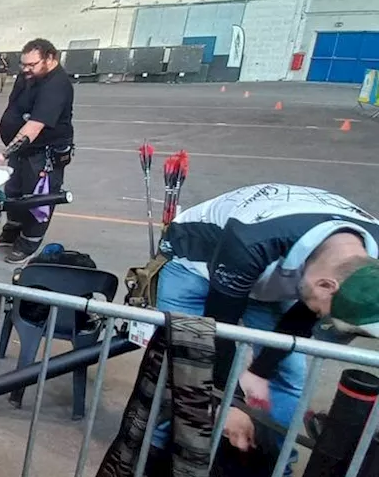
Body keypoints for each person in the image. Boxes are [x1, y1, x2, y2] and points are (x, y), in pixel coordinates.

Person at [154, 184, 379, 455]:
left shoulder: (362, 263)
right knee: (181, 363)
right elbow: (216, 331)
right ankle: (155, 450)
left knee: (288, 373)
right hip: (195, 263)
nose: (323, 319)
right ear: (325, 285)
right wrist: (231, 402)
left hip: (273, 269)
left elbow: (302, 319)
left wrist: (260, 370)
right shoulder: (252, 240)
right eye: (326, 314)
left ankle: (274, 463)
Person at [0, 38, 74, 263]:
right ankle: (12, 232)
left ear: (50, 59)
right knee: (14, 192)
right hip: (23, 150)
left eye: (31, 64)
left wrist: (4, 153)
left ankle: (28, 244)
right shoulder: (28, 77)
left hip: (44, 153)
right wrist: (0, 126)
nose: (26, 69)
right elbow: (14, 108)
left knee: (36, 199)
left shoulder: (57, 85)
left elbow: (34, 126)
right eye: (23, 64)